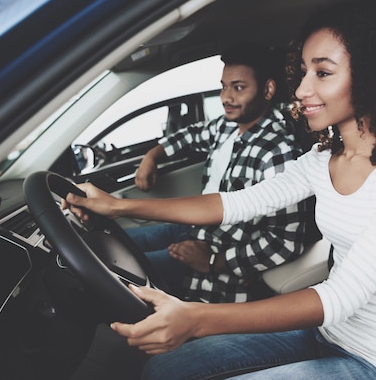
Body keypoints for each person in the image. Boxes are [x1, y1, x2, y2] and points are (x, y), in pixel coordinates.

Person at [64, 0, 376, 379]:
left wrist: (197, 318)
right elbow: (233, 204)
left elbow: (341, 296)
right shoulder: (324, 159)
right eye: (304, 73)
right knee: (168, 365)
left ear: (374, 77)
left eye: (323, 73)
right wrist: (117, 207)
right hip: (330, 332)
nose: (301, 90)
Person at [122, 42, 310, 303]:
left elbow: (284, 242)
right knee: (113, 241)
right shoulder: (226, 126)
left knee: (120, 274)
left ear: (268, 90)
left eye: (238, 88)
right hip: (191, 228)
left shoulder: (276, 152)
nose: (225, 97)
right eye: (224, 86)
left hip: (214, 255)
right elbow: (190, 135)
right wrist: (151, 157)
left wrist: (215, 262)